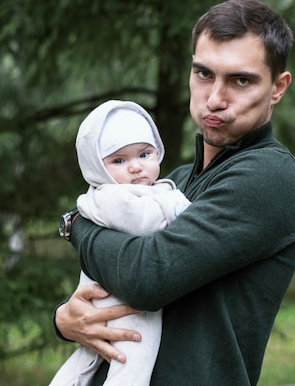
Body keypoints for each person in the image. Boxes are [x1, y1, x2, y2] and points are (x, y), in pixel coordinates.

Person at [54, 0, 295, 386]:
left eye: (240, 80)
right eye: (204, 74)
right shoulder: (173, 182)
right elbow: (107, 285)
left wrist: (76, 223)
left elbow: (146, 276)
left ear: (278, 87)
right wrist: (67, 319)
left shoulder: (270, 178)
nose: (214, 99)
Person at [51, 100, 191, 386]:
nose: (136, 167)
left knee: (89, 356)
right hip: (119, 298)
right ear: (96, 168)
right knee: (133, 358)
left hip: (107, 291)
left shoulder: (151, 189)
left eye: (144, 153)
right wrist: (180, 205)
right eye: (119, 161)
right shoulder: (108, 196)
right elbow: (143, 223)